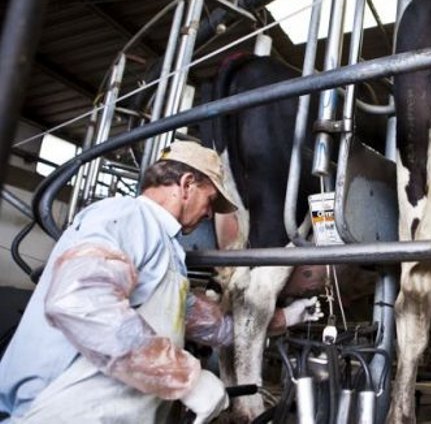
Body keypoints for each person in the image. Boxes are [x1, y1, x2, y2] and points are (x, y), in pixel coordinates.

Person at [0, 140, 321, 423]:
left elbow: (213, 327)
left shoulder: (168, 252)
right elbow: (81, 304)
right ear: (186, 184)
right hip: (57, 410)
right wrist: (185, 379)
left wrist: (286, 318)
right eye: (210, 201)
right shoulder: (125, 217)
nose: (210, 215)